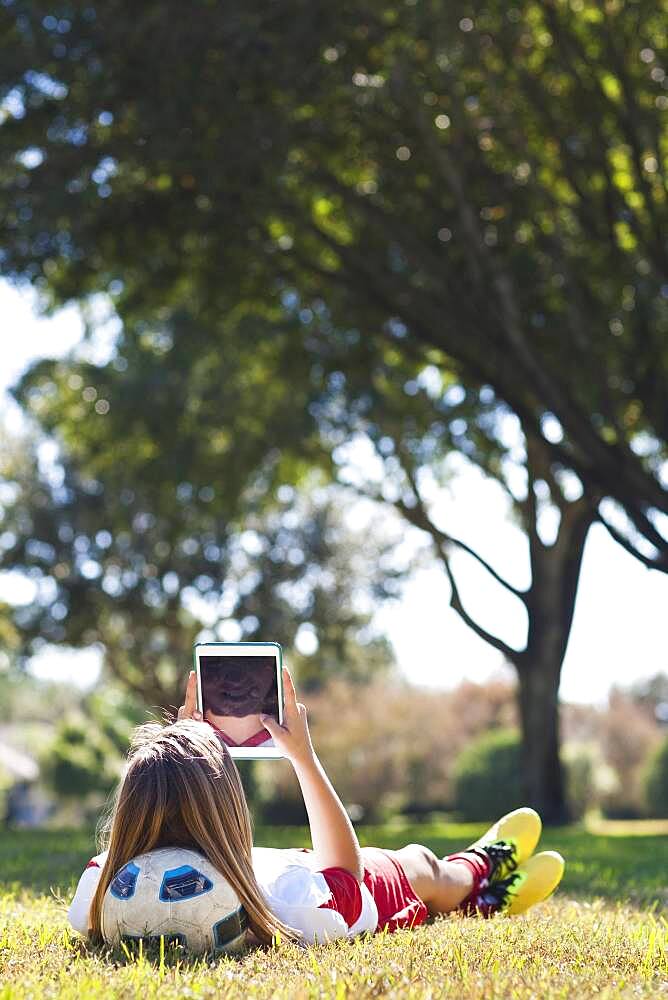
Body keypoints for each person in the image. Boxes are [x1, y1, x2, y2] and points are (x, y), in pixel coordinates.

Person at [68, 667, 565, 946]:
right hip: (354, 890)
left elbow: (124, 847)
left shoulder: (100, 893)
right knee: (421, 864)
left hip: (279, 862)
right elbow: (346, 879)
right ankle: (481, 875)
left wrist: (185, 745)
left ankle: (482, 890)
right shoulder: (288, 902)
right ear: (227, 807)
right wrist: (304, 758)